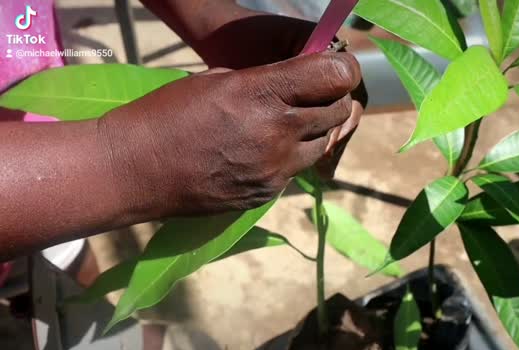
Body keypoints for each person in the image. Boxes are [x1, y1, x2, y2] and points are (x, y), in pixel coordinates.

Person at [0, 0, 366, 262]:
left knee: (65, 261)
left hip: (41, 166)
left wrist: (212, 19)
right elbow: (122, 166)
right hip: (29, 193)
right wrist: (128, 163)